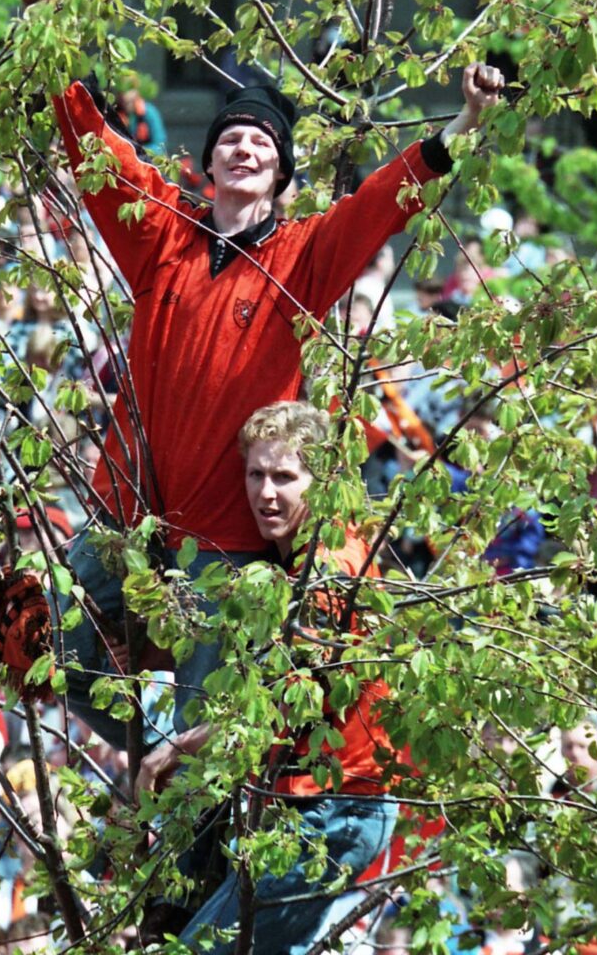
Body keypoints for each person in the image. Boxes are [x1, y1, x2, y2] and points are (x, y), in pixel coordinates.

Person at [18, 0, 503, 740]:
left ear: (279, 174)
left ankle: (188, 825)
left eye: (260, 143)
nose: (242, 148)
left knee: (205, 728)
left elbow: (380, 201)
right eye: (229, 140)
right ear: (208, 164)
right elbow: (96, 151)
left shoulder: (306, 254)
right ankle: (148, 764)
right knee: (54, 649)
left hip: (227, 535)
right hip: (127, 510)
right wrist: (50, 32)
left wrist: (462, 125)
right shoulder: (161, 233)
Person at [135, 402, 400, 955]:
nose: (266, 492)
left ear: (321, 481)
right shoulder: (291, 564)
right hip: (307, 805)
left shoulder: (327, 565)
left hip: (336, 807)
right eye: (256, 474)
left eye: (285, 476)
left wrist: (184, 746)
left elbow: (294, 698)